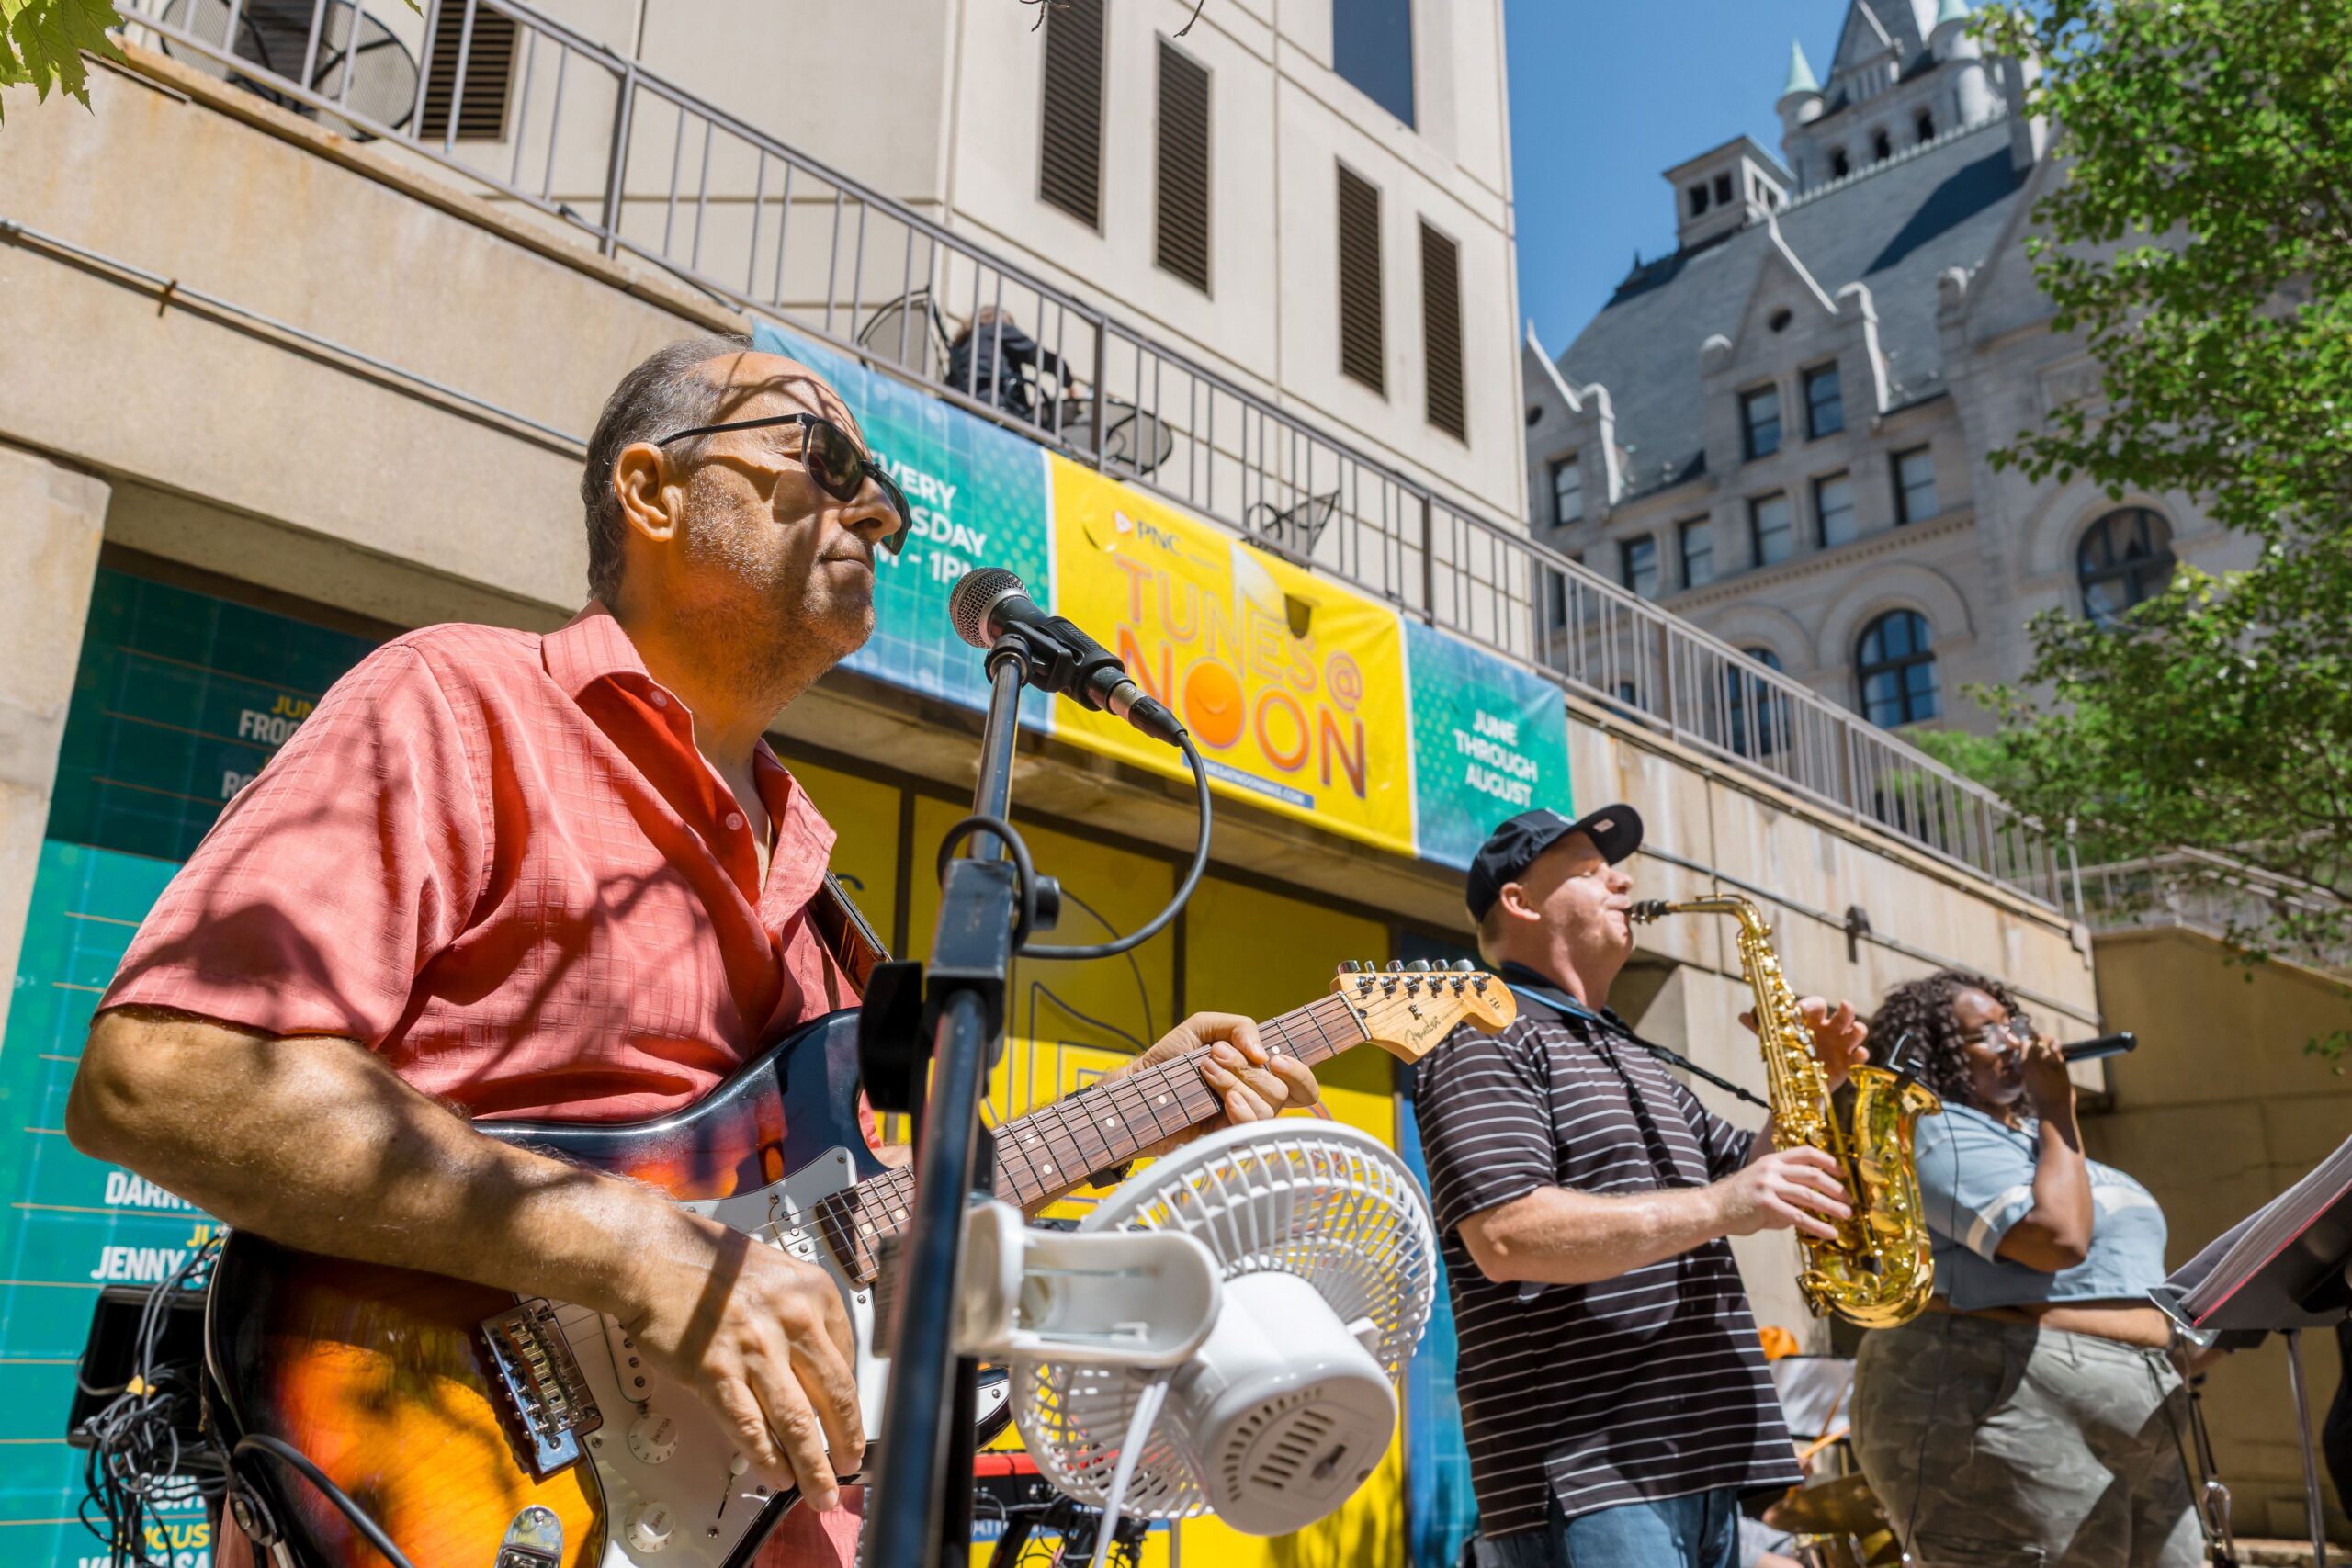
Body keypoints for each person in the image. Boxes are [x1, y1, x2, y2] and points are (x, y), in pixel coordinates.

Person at [62, 335, 1320, 1567]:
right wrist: (638, 1248)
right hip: (458, 1493)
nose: (873, 505)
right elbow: (166, 1069)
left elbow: (873, 1237)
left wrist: (1147, 1117)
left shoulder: (818, 889)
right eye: (818, 452)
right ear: (652, 488)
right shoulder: (459, 702)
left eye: (875, 484)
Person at [1416, 806, 1871, 1568]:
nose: (1623, 879)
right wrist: (1726, 1204)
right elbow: (1507, 1235)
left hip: (1695, 1463)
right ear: (1521, 902)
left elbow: (1753, 1173)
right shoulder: (1482, 1031)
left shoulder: (1626, 1050)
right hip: (1584, 1472)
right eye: (1590, 871)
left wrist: (1813, 1085)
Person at [1849, 970, 2203, 1567]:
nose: (2014, 1042)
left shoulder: (2032, 1145)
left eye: (2014, 1024)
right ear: (1938, 1051)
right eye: (1985, 1035)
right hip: (2009, 1413)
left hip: (2143, 1426)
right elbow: (2057, 1240)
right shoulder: (1934, 1130)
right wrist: (2057, 1108)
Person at [945, 304, 1073, 423]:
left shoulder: (962, 347)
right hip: (997, 407)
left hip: (962, 409)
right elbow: (1038, 356)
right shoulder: (997, 329)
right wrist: (1068, 381)